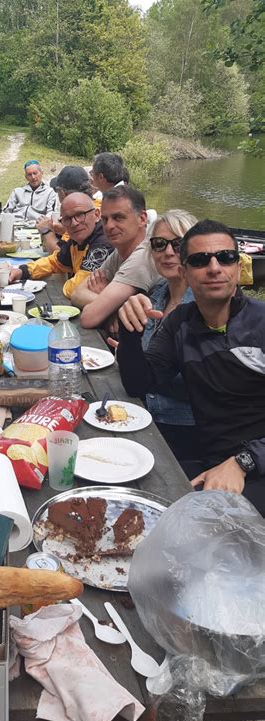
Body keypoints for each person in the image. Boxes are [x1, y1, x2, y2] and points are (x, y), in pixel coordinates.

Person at [115, 219, 265, 515]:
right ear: (184, 271)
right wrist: (129, 329)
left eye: (225, 257)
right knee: (131, 494)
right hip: (209, 460)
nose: (214, 267)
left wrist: (243, 462)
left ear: (238, 267)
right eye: (199, 260)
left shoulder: (260, 323)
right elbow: (140, 383)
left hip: (254, 465)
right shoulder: (180, 323)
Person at [112, 210, 199, 460]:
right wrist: (126, 351)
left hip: (181, 432)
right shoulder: (158, 293)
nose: (168, 252)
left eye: (178, 243)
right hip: (140, 413)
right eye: (159, 244)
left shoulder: (204, 306)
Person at [73, 186, 160, 321]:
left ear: (142, 219)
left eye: (118, 217)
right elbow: (77, 294)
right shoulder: (121, 250)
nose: (109, 226)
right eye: (105, 219)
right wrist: (113, 308)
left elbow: (88, 318)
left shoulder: (143, 257)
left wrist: (107, 306)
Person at [8, 192, 111, 299]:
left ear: (97, 215)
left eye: (80, 215)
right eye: (67, 219)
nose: (74, 223)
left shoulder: (103, 244)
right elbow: (55, 262)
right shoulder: (78, 238)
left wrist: (68, 283)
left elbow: (78, 289)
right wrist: (22, 271)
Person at [36, 166, 96, 253]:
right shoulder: (99, 205)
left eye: (58, 191)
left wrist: (47, 231)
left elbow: (60, 255)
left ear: (63, 193)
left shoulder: (74, 215)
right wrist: (64, 230)